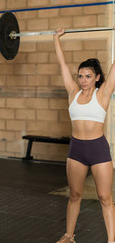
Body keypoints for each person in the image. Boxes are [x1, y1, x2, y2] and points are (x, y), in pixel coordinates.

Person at [54, 28, 115, 243]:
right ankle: (69, 235)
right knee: (74, 195)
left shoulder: (104, 93)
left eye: (88, 76)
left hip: (98, 149)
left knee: (105, 198)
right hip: (77, 150)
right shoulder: (73, 92)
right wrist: (56, 39)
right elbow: (62, 65)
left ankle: (111, 240)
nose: (83, 80)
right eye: (80, 76)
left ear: (97, 77)